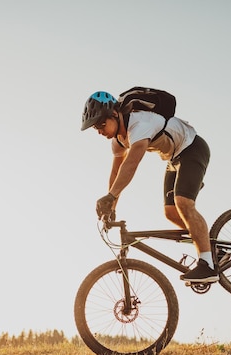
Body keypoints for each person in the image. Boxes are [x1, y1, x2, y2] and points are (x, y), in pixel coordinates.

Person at [80, 90, 217, 282]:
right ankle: (211, 247)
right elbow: (116, 173)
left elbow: (132, 164)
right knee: (170, 212)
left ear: (114, 114)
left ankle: (207, 265)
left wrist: (111, 197)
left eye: (101, 124)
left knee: (183, 202)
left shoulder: (139, 124)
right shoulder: (118, 142)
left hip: (193, 148)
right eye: (95, 128)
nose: (100, 131)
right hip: (174, 158)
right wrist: (111, 207)